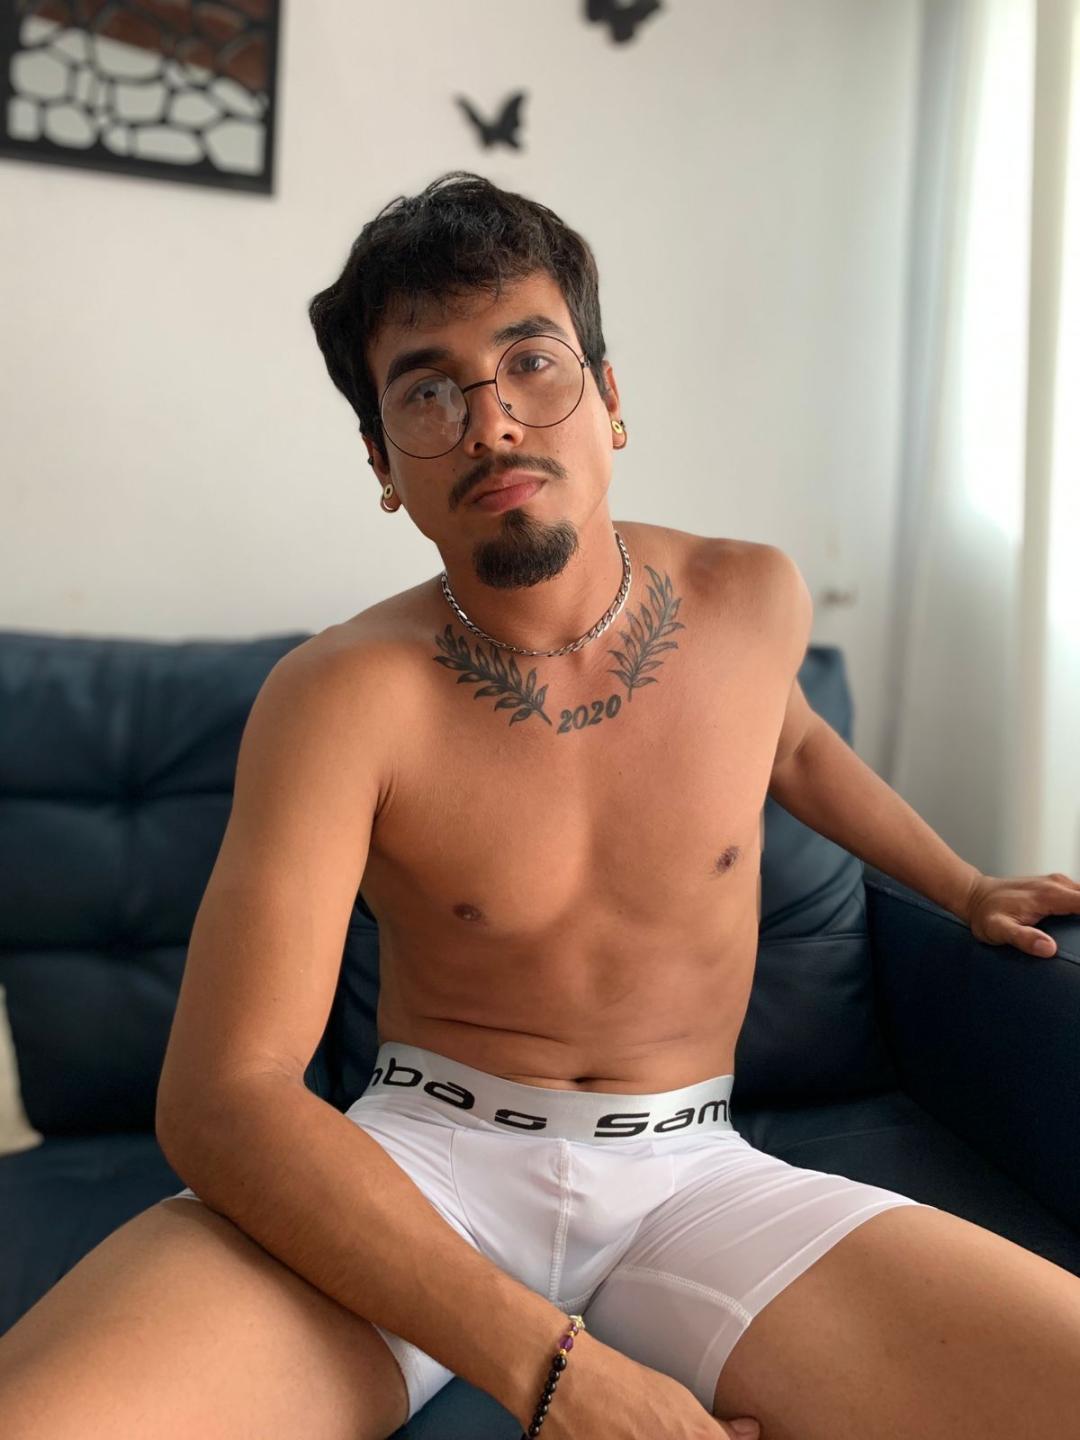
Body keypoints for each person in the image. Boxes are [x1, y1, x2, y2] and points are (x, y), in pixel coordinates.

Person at [3, 172, 1080, 1440]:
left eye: (532, 363)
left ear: (610, 400)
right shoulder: (338, 696)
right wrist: (561, 1374)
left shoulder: (751, 601)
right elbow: (221, 1100)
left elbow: (794, 748)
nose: (492, 423)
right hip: (422, 1163)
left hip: (696, 1173)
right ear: (382, 464)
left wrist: (963, 883)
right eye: (428, 393)